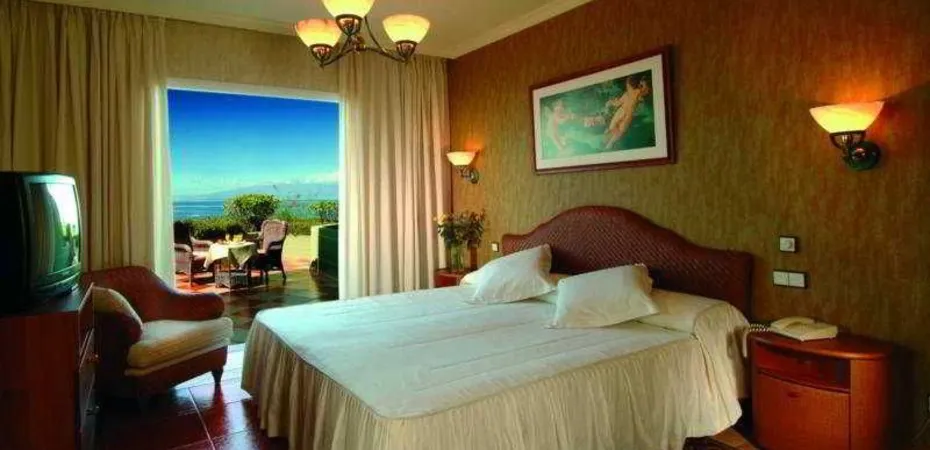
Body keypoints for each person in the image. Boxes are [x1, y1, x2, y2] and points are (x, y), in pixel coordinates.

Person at [604, 76, 651, 149]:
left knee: (621, 130)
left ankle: (610, 142)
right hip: (622, 112)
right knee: (615, 127)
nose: (627, 86)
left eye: (627, 84)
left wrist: (643, 84)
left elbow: (646, 92)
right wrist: (611, 102)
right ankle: (610, 140)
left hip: (627, 114)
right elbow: (618, 103)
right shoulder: (628, 93)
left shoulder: (637, 92)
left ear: (630, 85)